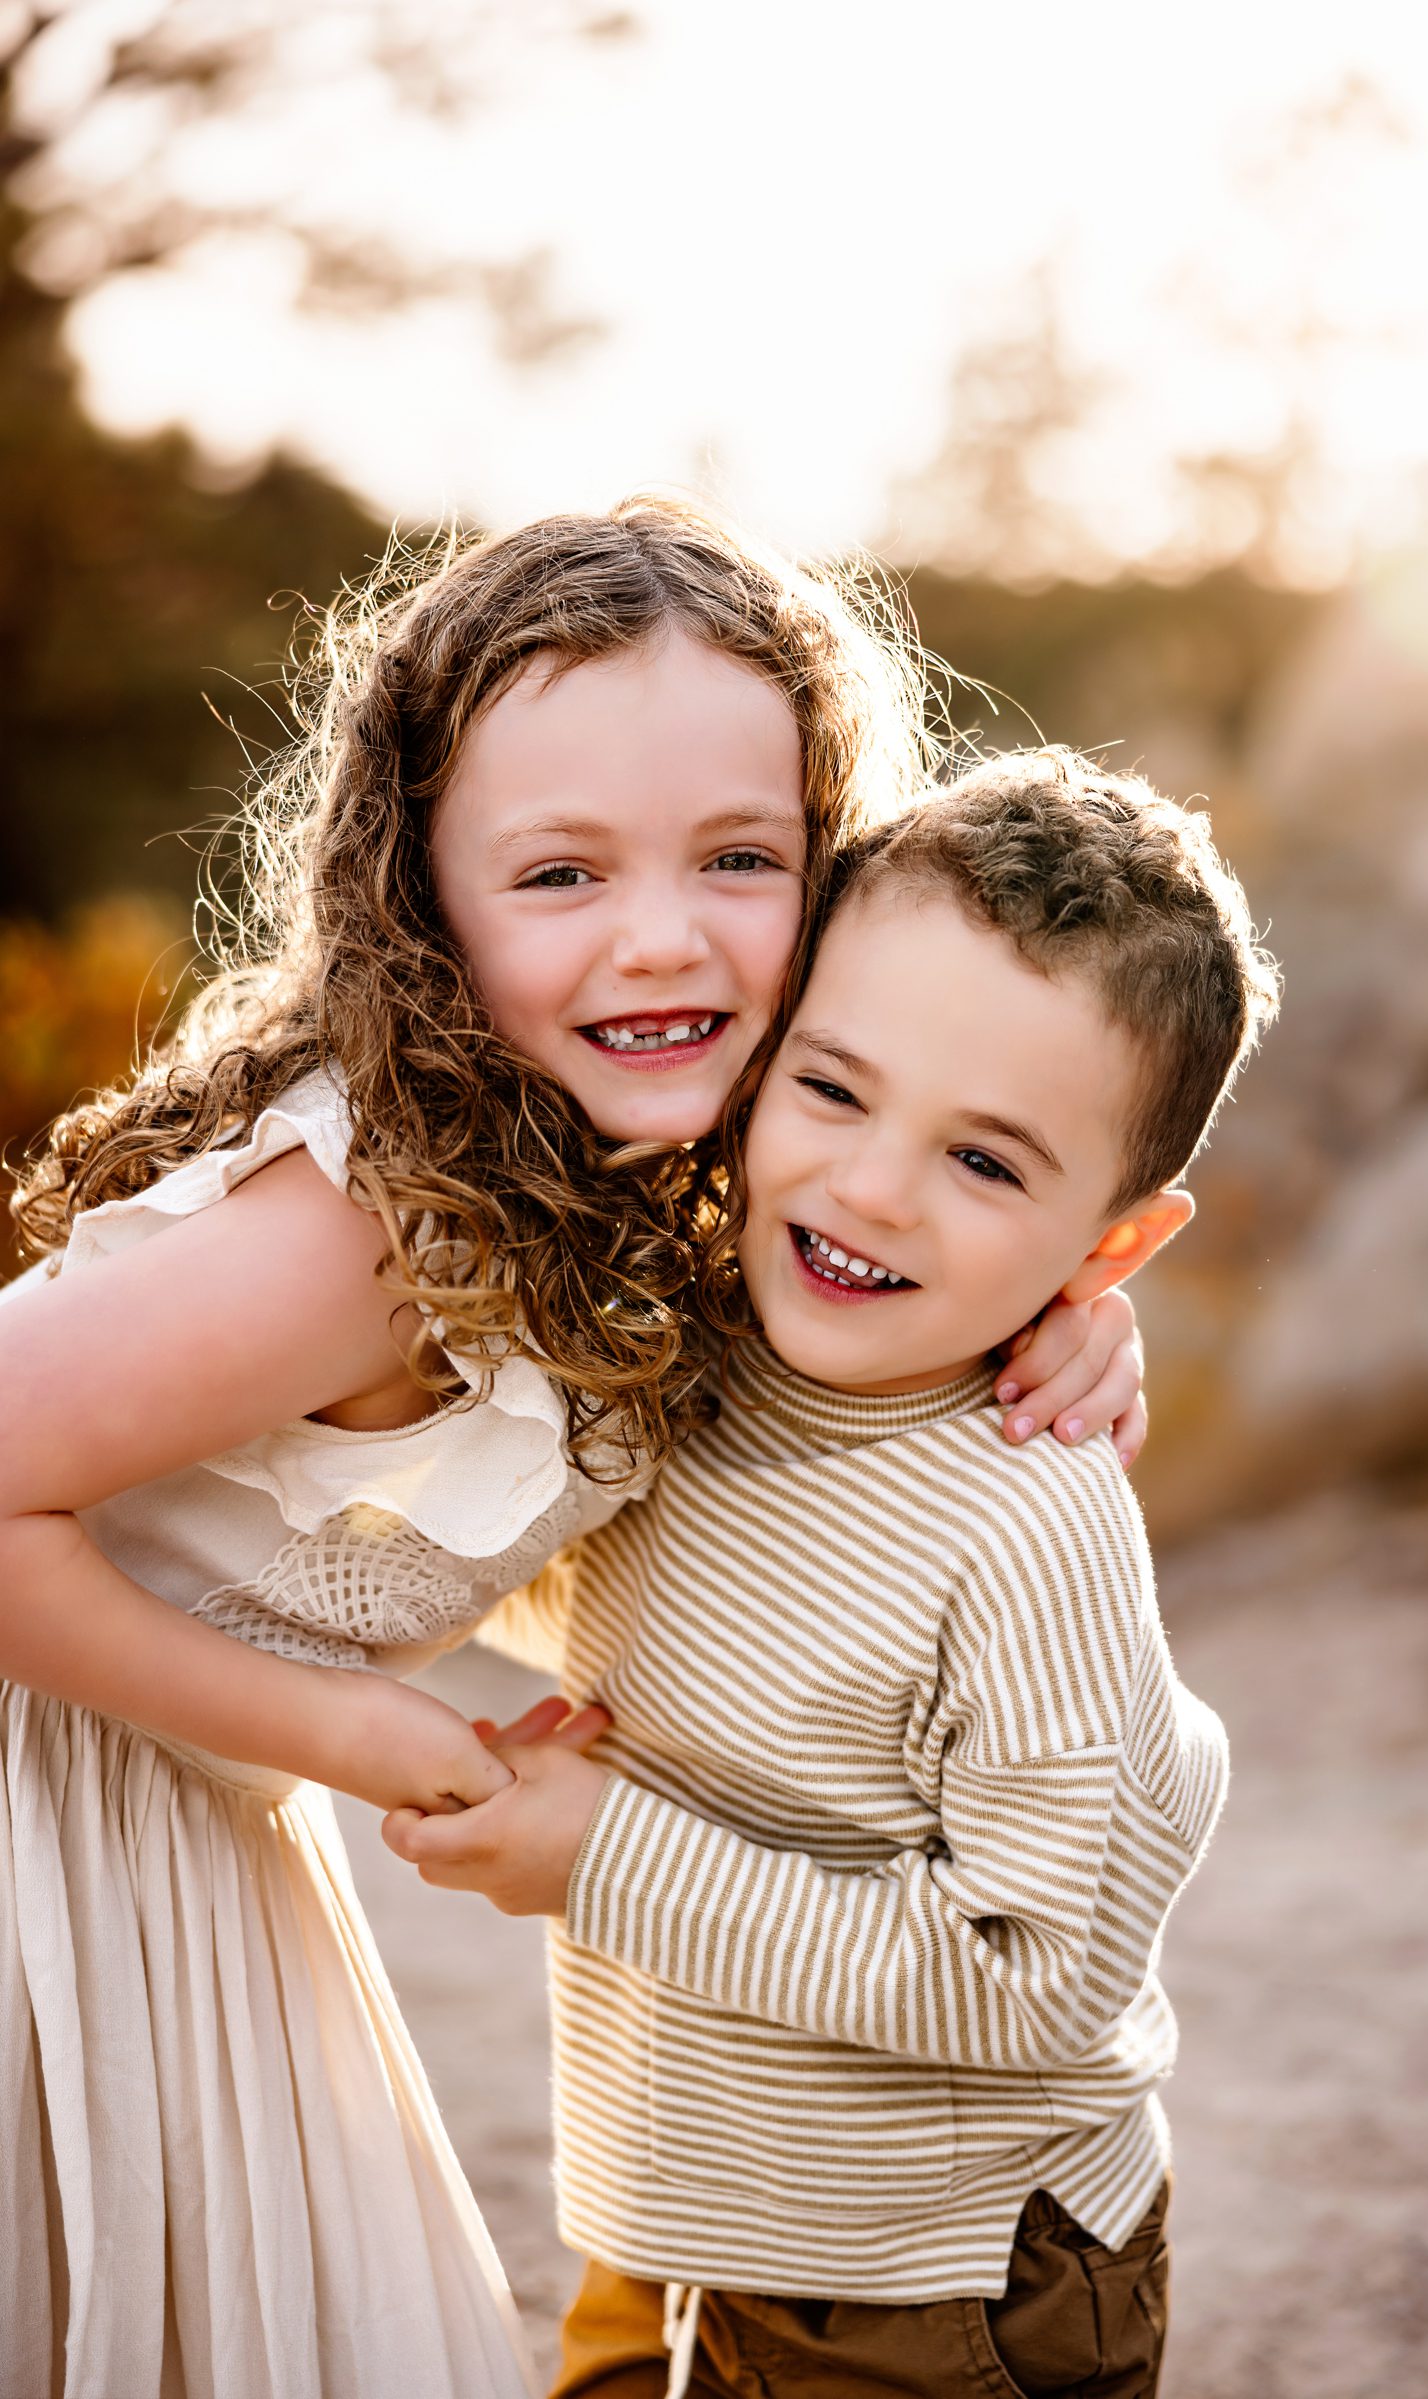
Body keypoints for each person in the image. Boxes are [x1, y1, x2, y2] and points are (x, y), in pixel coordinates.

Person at [0, 502, 1144, 2399]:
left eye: (741, 858)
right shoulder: (363, 1225)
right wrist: (365, 1736)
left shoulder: (617, 1170)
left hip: (170, 1842)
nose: (663, 937)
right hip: (53, 1837)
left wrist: (1056, 1302)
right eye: (558, 875)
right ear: (420, 895)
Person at [388, 747, 1281, 2398]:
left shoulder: (1028, 1522)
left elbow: (1045, 1980)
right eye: (833, 1088)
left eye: (989, 1163)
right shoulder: (675, 1346)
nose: (870, 1187)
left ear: (1114, 1246)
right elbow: (548, 1575)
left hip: (936, 2282)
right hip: (673, 2212)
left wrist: (606, 1854)